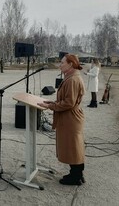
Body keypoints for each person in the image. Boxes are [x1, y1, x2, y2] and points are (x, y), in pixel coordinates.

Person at [38, 54, 85, 186]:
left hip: (70, 117)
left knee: (73, 147)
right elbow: (68, 99)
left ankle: (75, 177)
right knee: (74, 147)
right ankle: (77, 174)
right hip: (70, 117)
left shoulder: (72, 80)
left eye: (62, 63)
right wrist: (52, 102)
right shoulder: (72, 77)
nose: (60, 65)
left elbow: (69, 103)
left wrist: (50, 106)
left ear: (70, 64)